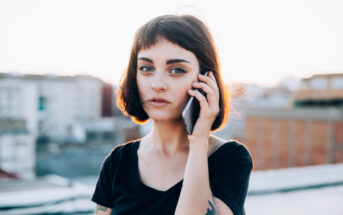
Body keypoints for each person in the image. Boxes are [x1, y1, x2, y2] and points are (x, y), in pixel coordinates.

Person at [91, 14, 253, 215]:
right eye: (146, 68)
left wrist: (199, 140)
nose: (157, 84)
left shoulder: (230, 159)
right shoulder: (117, 162)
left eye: (176, 70)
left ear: (206, 81)